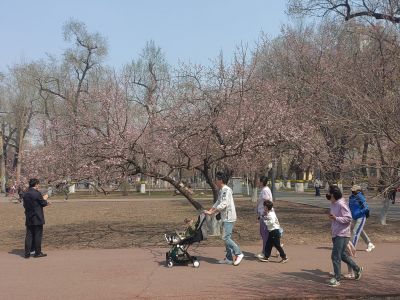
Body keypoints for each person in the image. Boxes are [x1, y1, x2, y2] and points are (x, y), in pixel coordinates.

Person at [204, 171, 244, 266]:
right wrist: (210, 211)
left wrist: (212, 212)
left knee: (225, 237)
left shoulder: (226, 190)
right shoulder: (221, 190)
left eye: (216, 179)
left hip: (229, 217)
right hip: (224, 217)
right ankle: (229, 258)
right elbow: (218, 202)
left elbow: (223, 204)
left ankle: (239, 253)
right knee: (226, 238)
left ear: (220, 180)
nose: (215, 181)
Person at [327, 185, 363, 287]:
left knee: (335, 256)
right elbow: (335, 217)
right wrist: (333, 219)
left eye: (329, 192)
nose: (327, 194)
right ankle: (357, 269)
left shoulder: (341, 204)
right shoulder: (333, 203)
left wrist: (336, 218)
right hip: (336, 233)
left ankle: (337, 279)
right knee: (341, 255)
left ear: (333, 194)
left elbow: (348, 218)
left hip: (342, 234)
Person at [23, 178, 50, 258]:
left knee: (29, 235)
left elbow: (25, 205)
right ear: (36, 184)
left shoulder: (26, 193)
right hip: (37, 217)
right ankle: (37, 252)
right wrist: (45, 199)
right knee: (38, 235)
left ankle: (27, 253)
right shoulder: (37, 193)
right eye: (38, 184)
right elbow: (42, 203)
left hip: (29, 216)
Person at [255, 176, 273, 260]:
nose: (258, 182)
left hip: (264, 215)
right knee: (264, 233)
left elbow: (268, 202)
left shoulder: (265, 190)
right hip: (263, 214)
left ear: (262, 182)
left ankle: (265, 252)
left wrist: (264, 213)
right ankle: (276, 246)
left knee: (264, 234)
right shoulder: (265, 189)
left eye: (259, 181)